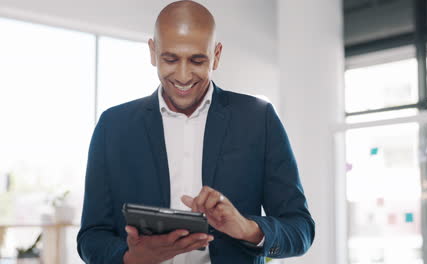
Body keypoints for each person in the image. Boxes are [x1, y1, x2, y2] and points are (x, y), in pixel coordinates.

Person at [77, 1, 315, 263]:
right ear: (153, 51)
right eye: (170, 59)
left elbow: (300, 230)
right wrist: (130, 258)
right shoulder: (113, 126)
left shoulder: (259, 119)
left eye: (197, 60)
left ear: (217, 55)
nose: (182, 75)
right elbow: (91, 236)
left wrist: (246, 228)